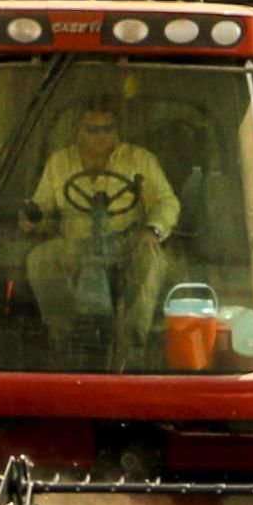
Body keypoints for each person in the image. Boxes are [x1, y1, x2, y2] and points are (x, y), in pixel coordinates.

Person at [21, 94, 181, 364]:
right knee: (40, 259)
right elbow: (43, 208)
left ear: (116, 131)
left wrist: (152, 230)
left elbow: (167, 201)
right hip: (75, 245)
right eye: (92, 130)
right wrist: (32, 219)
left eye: (107, 129)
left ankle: (132, 345)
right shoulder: (59, 163)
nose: (100, 136)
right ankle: (64, 336)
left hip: (126, 243)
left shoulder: (139, 160)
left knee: (152, 260)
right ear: (78, 131)